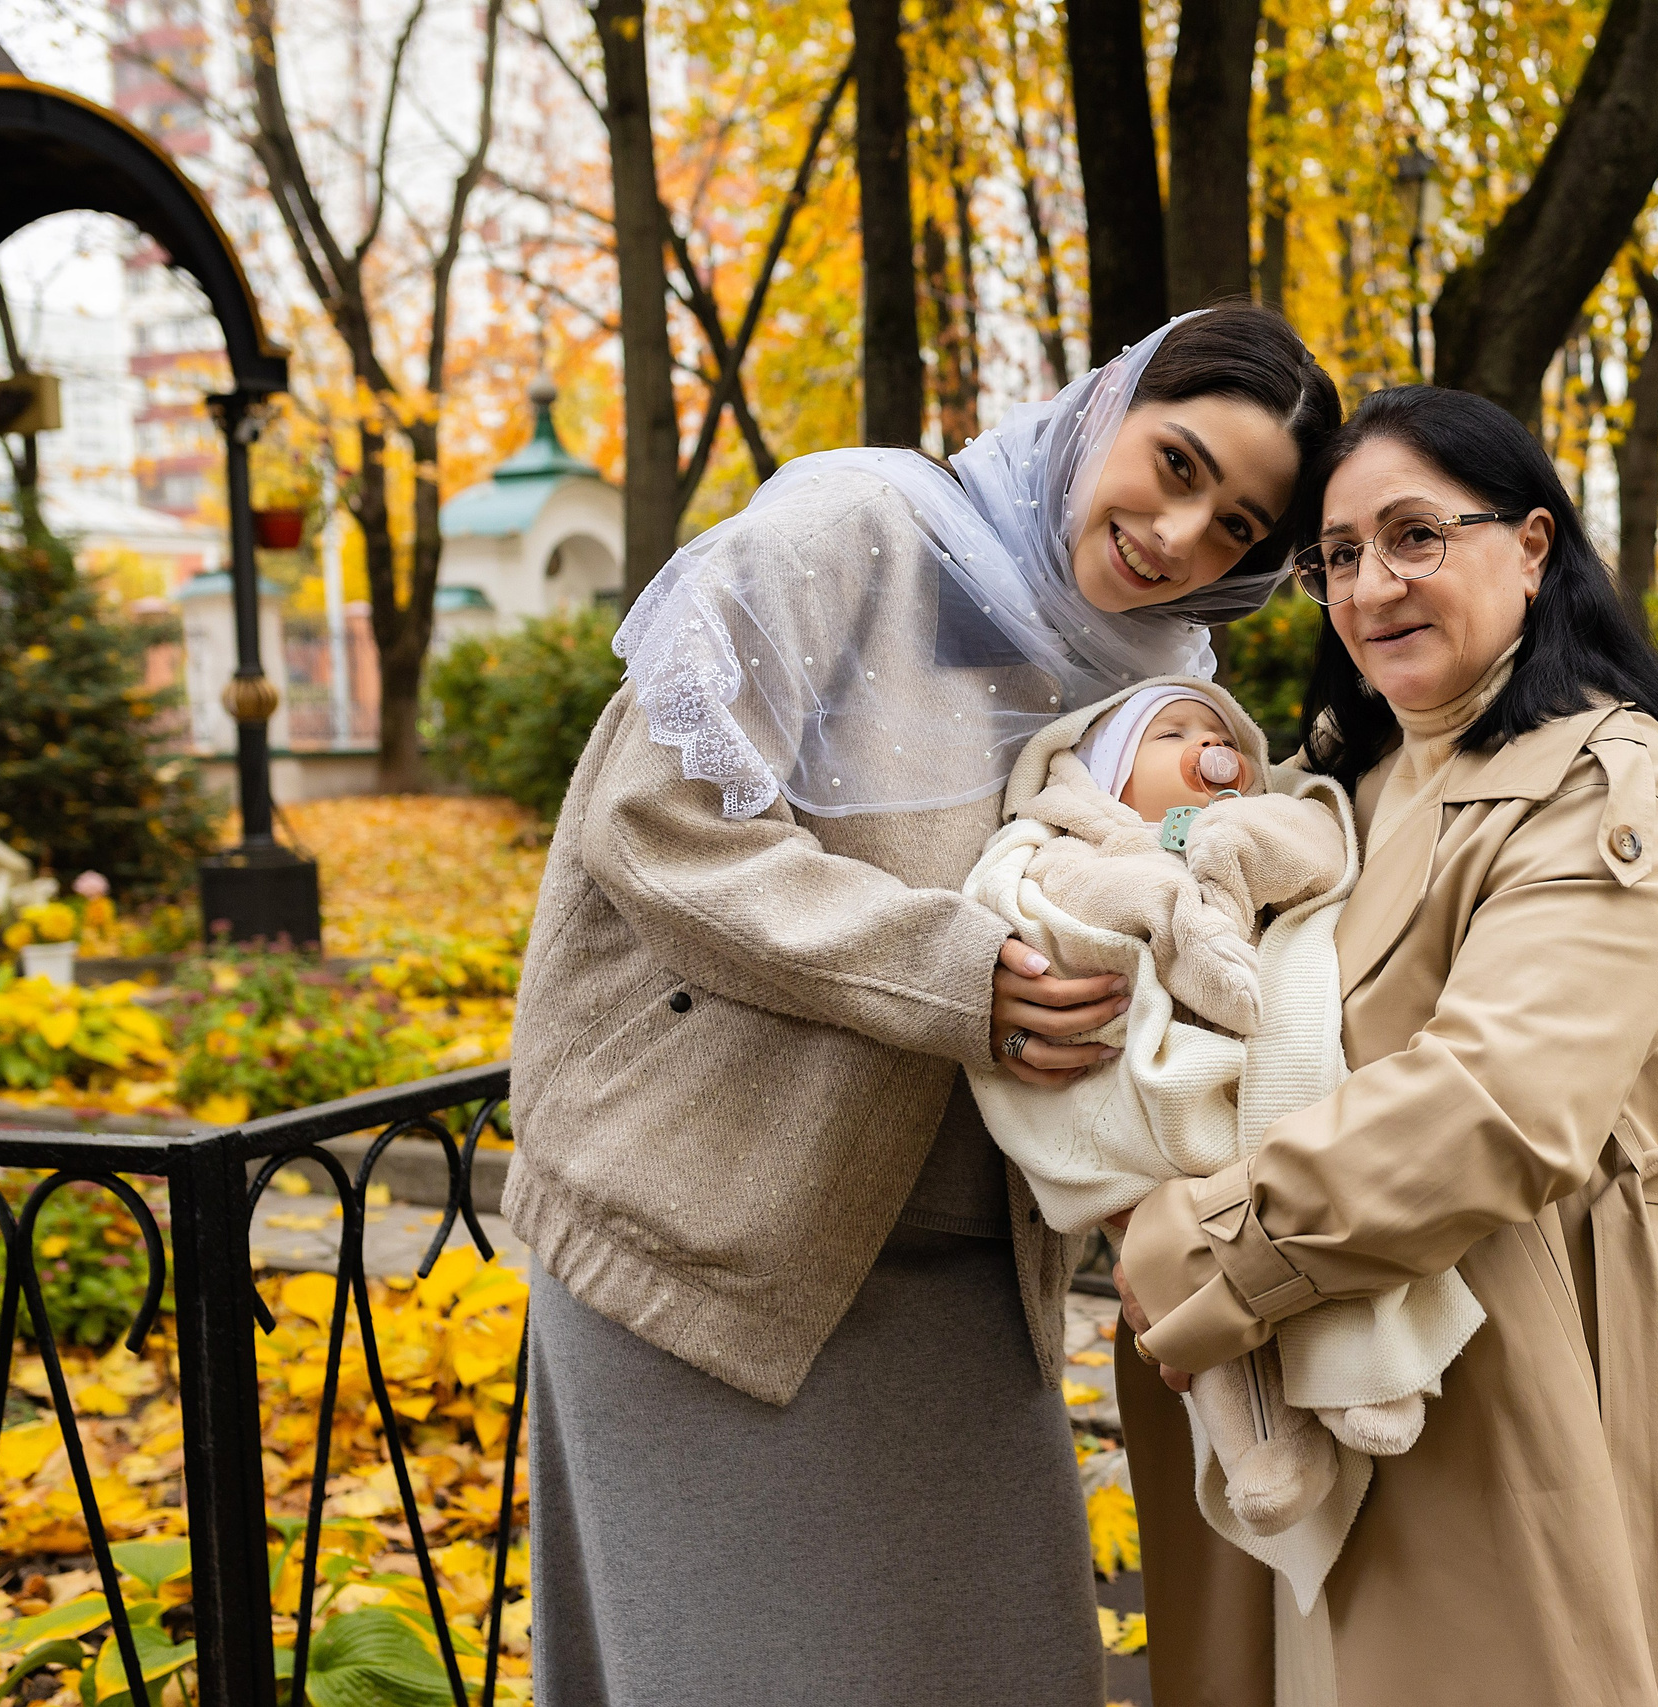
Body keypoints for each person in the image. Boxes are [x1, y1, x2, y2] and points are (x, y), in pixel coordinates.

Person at [507, 305, 1340, 1706]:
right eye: (1178, 464)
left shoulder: (1157, 686)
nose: (1185, 539)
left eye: (1240, 531)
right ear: (1104, 408)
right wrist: (955, 974)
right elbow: (649, 825)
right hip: (716, 1239)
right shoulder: (854, 529)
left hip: (961, 1274)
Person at [1114, 385, 1658, 1707]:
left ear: (1530, 546)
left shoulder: (1606, 791)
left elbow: (1496, 1104)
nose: (1371, 583)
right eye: (1338, 555)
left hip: (1524, 1371)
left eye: (1413, 536)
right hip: (1314, 1356)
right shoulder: (1355, 778)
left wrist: (1205, 1244)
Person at [961, 676, 1482, 1553]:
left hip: (1260, 1079)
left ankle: (1368, 1369)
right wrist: (1175, 909)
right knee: (1181, 1288)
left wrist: (1228, 852)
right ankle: (1262, 1451)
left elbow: (1316, 851)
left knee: (1305, 1203)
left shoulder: (1265, 816)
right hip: (1139, 1105)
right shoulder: (1072, 850)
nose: (1212, 748)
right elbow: (1061, 918)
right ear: (1106, 776)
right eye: (1173, 734)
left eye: (1221, 729)